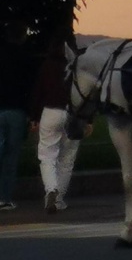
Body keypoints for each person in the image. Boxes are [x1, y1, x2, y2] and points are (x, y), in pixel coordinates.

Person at [30, 27, 79, 213]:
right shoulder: (76, 65)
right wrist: (88, 119)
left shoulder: (47, 65)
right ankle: (58, 201)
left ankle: (51, 189)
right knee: (67, 159)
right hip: (72, 113)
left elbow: (38, 92)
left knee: (47, 156)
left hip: (50, 112)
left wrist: (34, 117)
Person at [0, 23, 36, 214]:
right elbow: (30, 87)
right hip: (17, 111)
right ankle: (5, 198)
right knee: (10, 158)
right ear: (23, 35)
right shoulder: (26, 58)